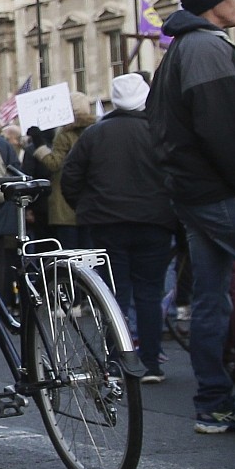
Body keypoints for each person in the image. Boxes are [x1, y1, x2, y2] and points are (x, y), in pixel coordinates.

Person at [146, 0, 235, 434]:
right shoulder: (205, 48)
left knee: (210, 300)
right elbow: (225, 131)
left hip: (197, 194)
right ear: (212, 1)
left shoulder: (184, 49)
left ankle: (214, 403)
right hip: (220, 194)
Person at [61, 73, 177, 382]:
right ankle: (151, 362)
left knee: (114, 295)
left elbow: (70, 177)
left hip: (107, 221)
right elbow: (177, 174)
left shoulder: (94, 134)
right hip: (155, 221)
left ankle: (116, 360)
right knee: (149, 294)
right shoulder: (161, 131)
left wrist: (86, 208)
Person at [29, 92, 94, 246]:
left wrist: (39, 144)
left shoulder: (65, 133)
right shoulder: (96, 130)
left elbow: (54, 163)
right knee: (91, 253)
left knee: (70, 255)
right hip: (92, 200)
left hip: (65, 202)